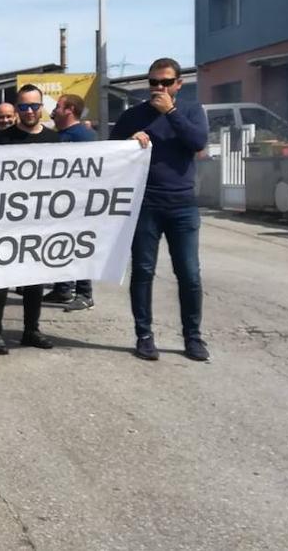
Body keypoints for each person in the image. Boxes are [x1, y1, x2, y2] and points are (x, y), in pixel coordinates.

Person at [111, 58, 209, 362]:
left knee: (189, 274)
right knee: (143, 272)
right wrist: (128, 142)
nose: (159, 88)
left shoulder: (191, 111)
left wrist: (171, 112)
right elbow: (109, 152)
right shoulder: (132, 115)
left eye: (166, 82)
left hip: (182, 206)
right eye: (154, 82)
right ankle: (144, 335)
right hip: (145, 205)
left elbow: (198, 143)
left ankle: (192, 337)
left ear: (178, 84)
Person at [0, 85, 58, 355]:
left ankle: (31, 329)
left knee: (35, 279)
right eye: (24, 106)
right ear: (16, 108)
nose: (29, 111)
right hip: (4, 223)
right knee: (0, 281)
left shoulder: (55, 140)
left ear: (41, 108)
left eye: (34, 106)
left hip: (39, 223)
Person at [46, 93, 100, 312]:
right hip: (59, 201)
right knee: (61, 245)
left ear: (69, 110)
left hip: (78, 202)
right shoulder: (60, 134)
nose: (54, 110)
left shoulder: (83, 136)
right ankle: (63, 288)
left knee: (77, 247)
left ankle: (85, 293)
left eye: (58, 106)